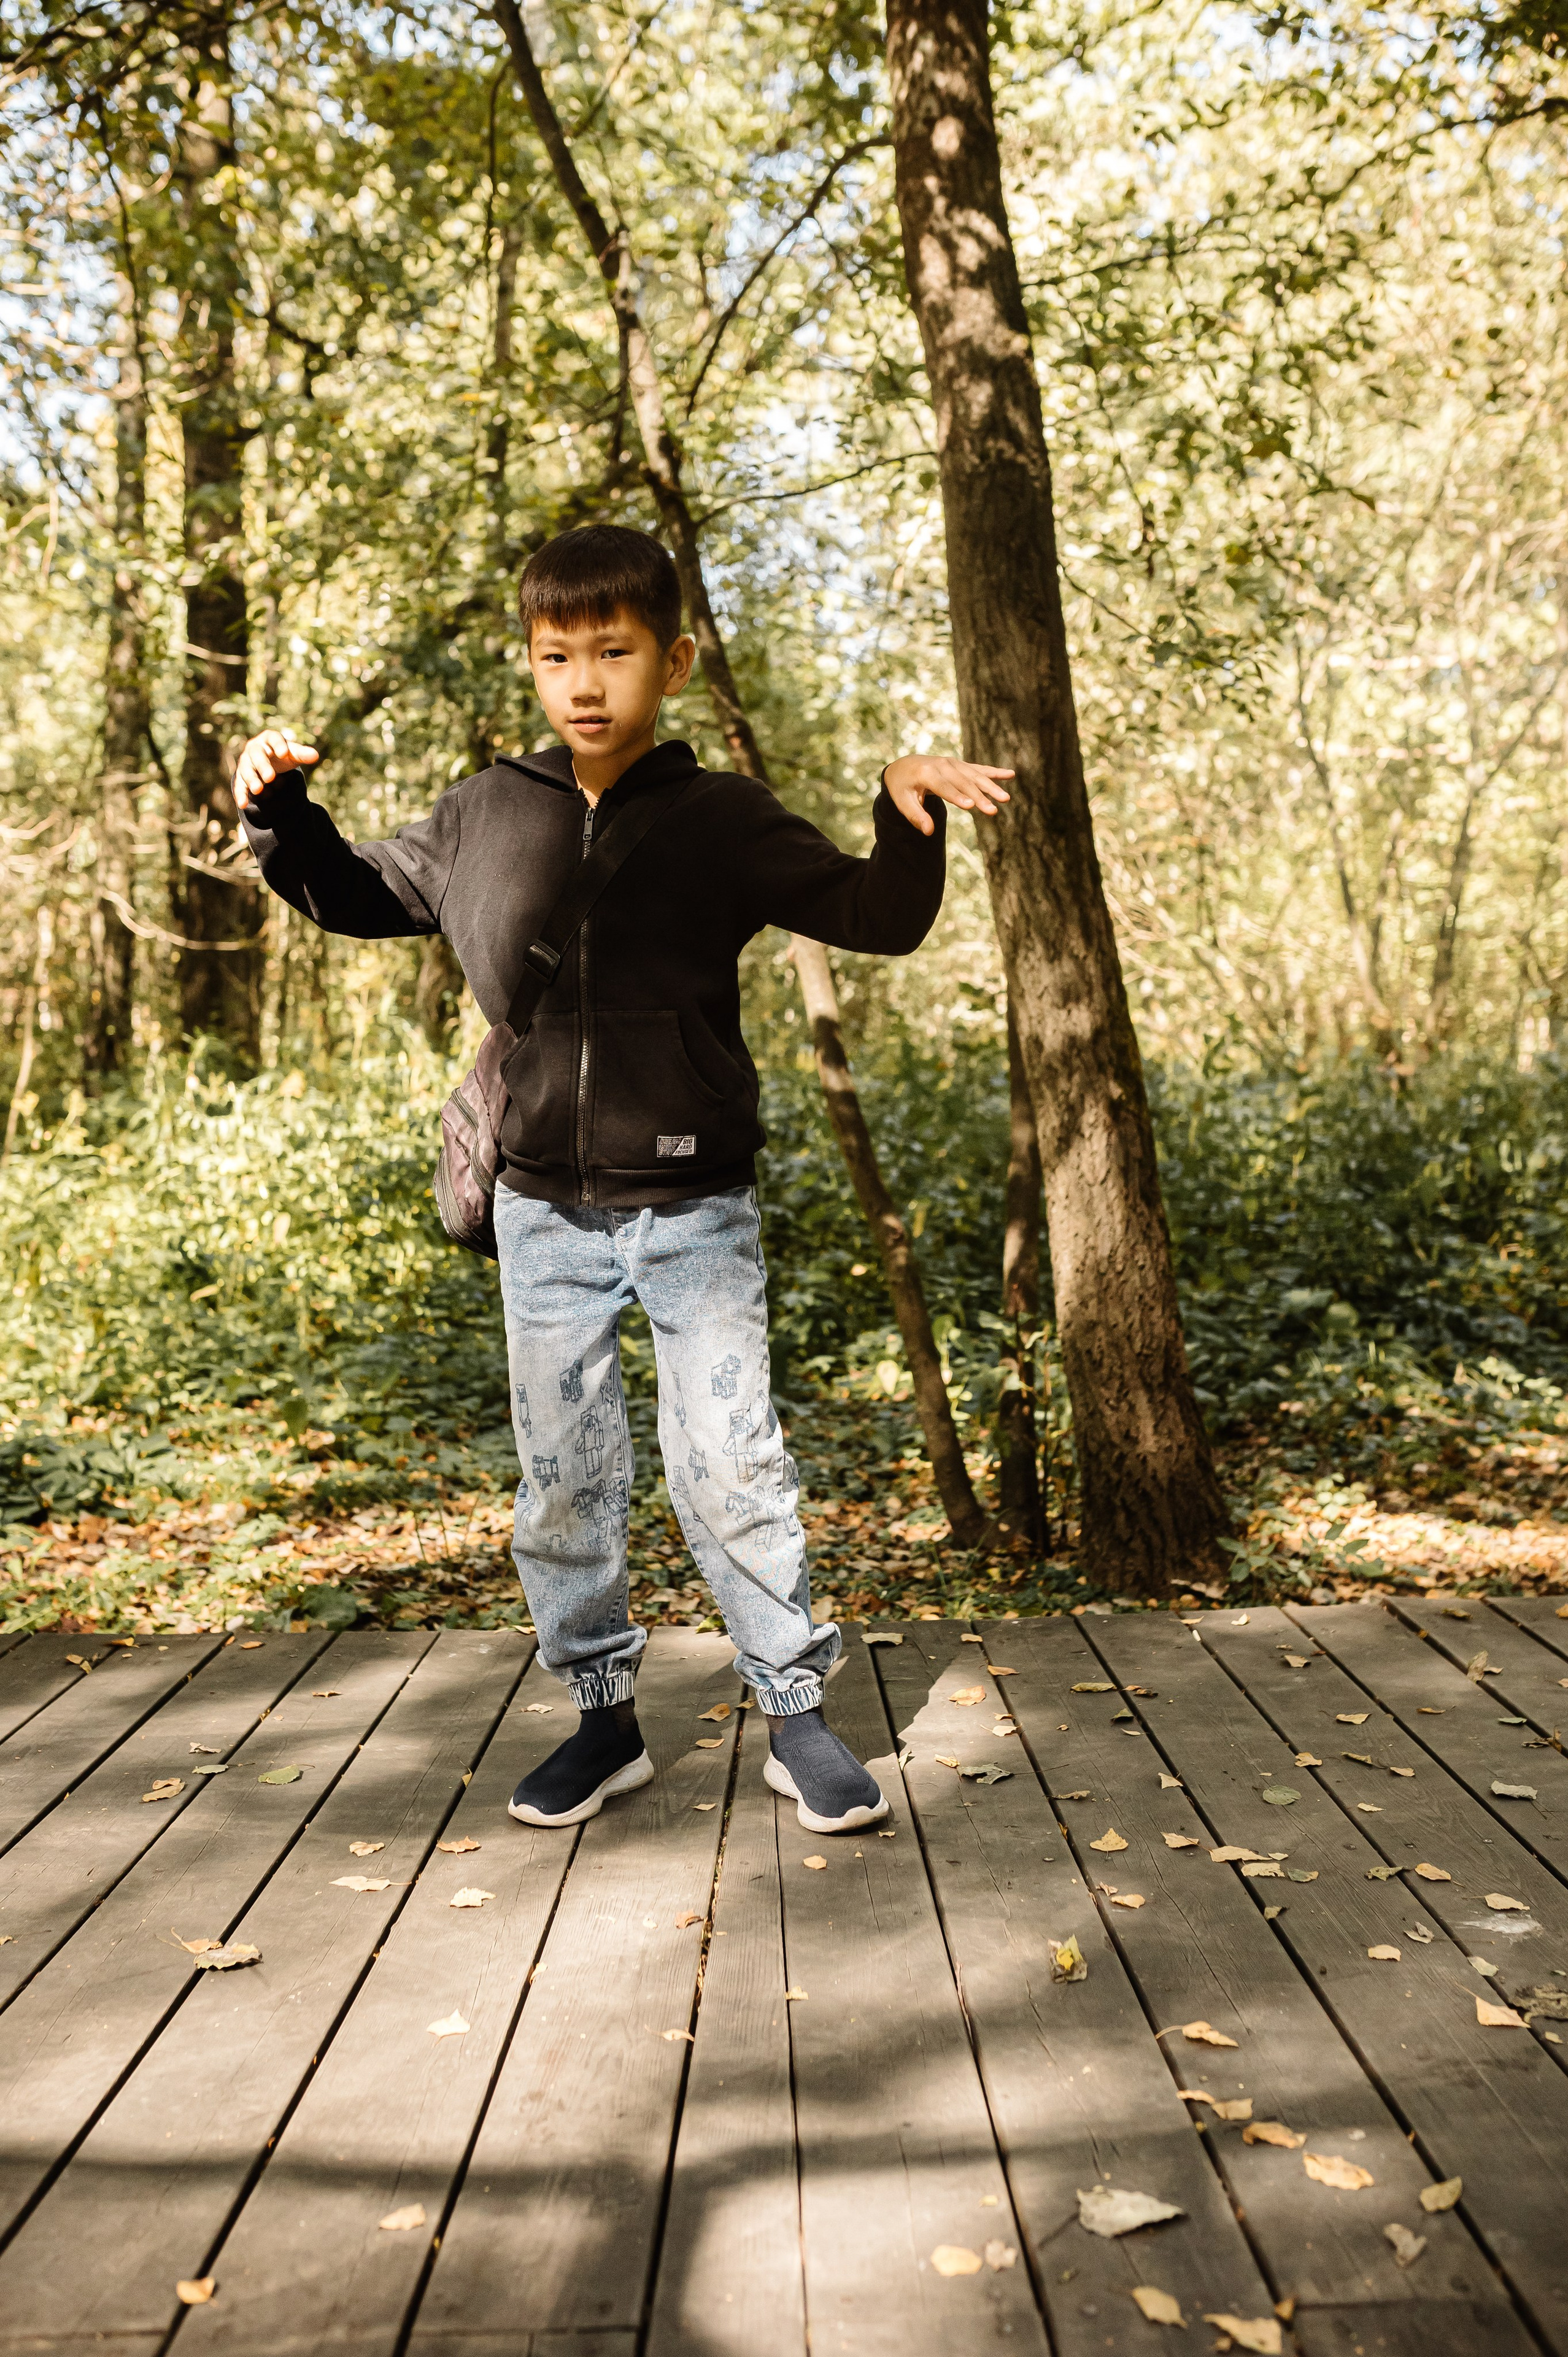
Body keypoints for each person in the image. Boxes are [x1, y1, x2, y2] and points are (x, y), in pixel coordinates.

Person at [233, 524, 1009, 1835]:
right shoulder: (484, 813)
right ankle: (602, 1723)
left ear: (674, 661)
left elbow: (877, 915)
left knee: (733, 1466)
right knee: (564, 1480)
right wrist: (278, 813)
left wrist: (900, 808)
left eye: (613, 652)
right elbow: (354, 894)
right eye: (556, 656)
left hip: (695, 1211)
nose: (583, 682)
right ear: (532, 663)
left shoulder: (722, 820)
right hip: (541, 1211)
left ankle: (796, 1718)